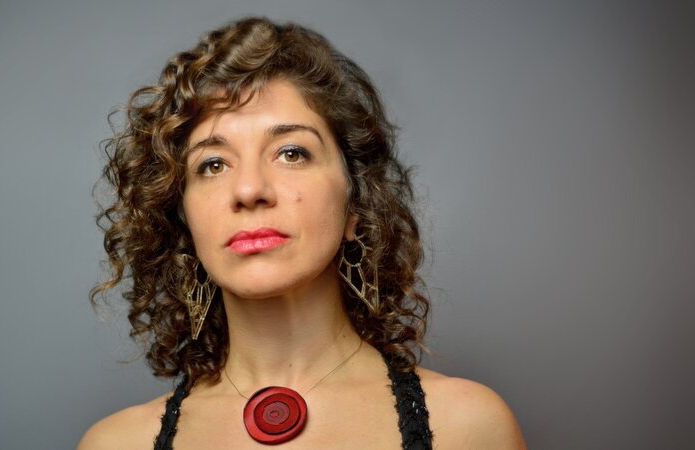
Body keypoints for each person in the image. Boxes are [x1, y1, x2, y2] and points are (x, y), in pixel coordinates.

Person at [79, 16, 526, 449]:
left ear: (355, 203)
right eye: (213, 165)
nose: (249, 190)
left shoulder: (468, 428)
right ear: (183, 220)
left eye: (291, 153)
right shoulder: (116, 444)